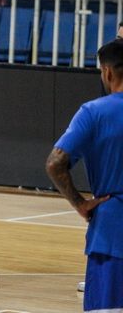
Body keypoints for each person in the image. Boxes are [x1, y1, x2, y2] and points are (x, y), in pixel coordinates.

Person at [46, 39, 123, 312]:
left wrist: (80, 204)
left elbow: (55, 163)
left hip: (112, 234)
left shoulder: (94, 112)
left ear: (107, 72)